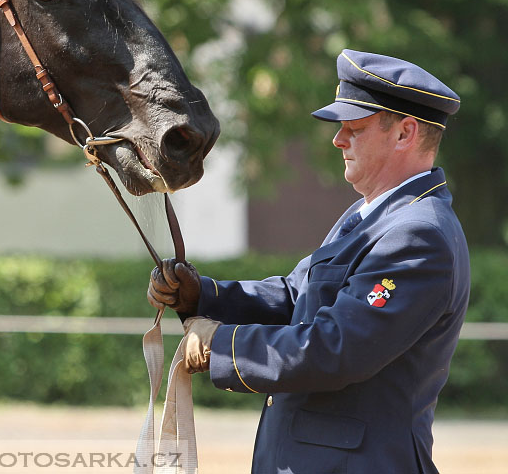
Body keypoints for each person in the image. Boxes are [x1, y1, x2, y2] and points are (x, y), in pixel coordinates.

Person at [149, 49, 469, 474]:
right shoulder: (371, 215)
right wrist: (203, 295)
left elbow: (336, 348)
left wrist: (221, 344)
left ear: (405, 133)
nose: (338, 139)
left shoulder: (418, 233)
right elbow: (295, 295)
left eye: (354, 127)